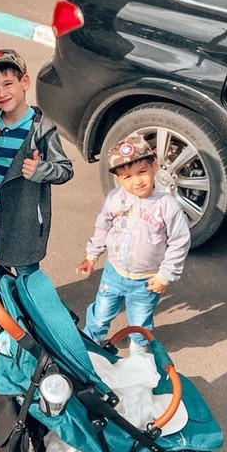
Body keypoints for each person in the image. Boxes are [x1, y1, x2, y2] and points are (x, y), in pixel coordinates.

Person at [0, 49, 74, 335]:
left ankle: (36, 315)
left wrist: (40, 170)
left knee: (27, 271)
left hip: (24, 217)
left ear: (24, 82)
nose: (1, 93)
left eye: (8, 84)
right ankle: (2, 310)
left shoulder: (41, 129)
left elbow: (65, 169)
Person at [75, 135, 191, 353]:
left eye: (142, 172)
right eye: (127, 177)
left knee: (139, 320)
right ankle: (90, 341)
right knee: (101, 313)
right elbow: (102, 227)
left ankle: (139, 349)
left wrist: (165, 275)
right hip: (113, 272)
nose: (137, 181)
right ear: (118, 179)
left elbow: (179, 242)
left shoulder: (167, 205)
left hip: (146, 279)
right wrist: (91, 256)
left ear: (154, 166)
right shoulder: (114, 199)